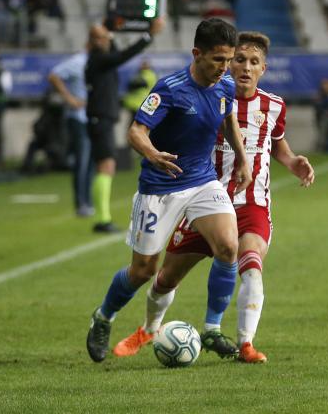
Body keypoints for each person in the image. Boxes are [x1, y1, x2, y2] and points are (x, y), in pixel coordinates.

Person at [112, 31, 315, 363]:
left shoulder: (274, 105)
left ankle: (244, 343)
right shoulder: (212, 96)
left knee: (249, 263)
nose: (245, 68)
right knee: (165, 277)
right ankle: (149, 329)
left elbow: (277, 144)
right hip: (203, 197)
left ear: (263, 68)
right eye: (239, 60)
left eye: (254, 63)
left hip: (252, 203)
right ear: (228, 61)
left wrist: (293, 162)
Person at [85, 18, 252, 363]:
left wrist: (241, 156)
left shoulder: (224, 86)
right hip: (159, 188)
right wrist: (152, 153)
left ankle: (212, 329)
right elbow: (135, 131)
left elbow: (228, 118)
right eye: (218, 59)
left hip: (202, 181)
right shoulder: (171, 88)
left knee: (228, 246)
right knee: (144, 270)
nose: (225, 67)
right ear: (197, 53)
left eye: (229, 59)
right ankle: (103, 317)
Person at [85, 17, 164, 233]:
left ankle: (103, 218)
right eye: (101, 37)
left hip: (102, 118)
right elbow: (122, 56)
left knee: (106, 166)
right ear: (94, 40)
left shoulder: (100, 58)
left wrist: (110, 31)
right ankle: (102, 219)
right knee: (106, 165)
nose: (107, 40)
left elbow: (116, 53)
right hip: (100, 118)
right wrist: (149, 35)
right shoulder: (98, 58)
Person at [48, 48, 94, 216]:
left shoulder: (96, 62)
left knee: (91, 162)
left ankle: (88, 201)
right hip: (78, 117)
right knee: (82, 160)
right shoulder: (78, 61)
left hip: (91, 117)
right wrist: (69, 99)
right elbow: (54, 75)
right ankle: (81, 203)